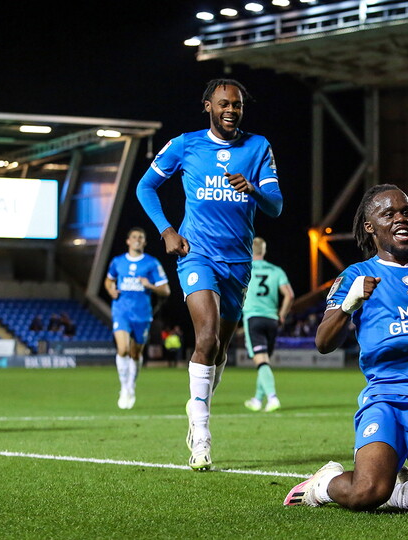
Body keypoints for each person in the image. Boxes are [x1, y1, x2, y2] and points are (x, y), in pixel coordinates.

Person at [284, 184, 408, 513]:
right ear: (371, 227)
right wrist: (350, 303)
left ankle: (402, 494)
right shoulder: (357, 275)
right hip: (387, 401)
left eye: (406, 212)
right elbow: (324, 342)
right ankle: (323, 484)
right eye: (389, 213)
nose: (400, 219)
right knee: (366, 493)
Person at [136, 78, 282, 470]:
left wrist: (252, 189)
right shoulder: (185, 144)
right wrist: (167, 230)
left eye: (236, 105)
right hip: (196, 255)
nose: (231, 110)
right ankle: (201, 437)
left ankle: (197, 405)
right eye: (223, 104)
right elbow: (146, 187)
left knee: (218, 352)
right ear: (208, 106)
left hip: (238, 263)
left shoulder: (258, 147)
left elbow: (276, 207)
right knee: (206, 336)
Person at [104, 227, 170, 409]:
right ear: (128, 241)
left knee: (135, 353)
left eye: (141, 237)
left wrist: (149, 285)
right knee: (123, 349)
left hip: (142, 313)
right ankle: (124, 388)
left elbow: (166, 290)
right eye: (134, 237)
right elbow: (109, 280)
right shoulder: (117, 262)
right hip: (121, 311)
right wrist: (111, 290)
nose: (137, 240)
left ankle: (131, 384)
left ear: (145, 242)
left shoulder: (151, 263)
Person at [242, 237, 294, 413]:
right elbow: (289, 295)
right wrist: (282, 314)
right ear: (263, 251)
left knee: (261, 361)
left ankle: (272, 398)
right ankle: (257, 400)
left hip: (253, 318)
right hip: (272, 319)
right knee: (264, 360)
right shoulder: (276, 270)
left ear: (250, 250)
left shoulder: (245, 268)